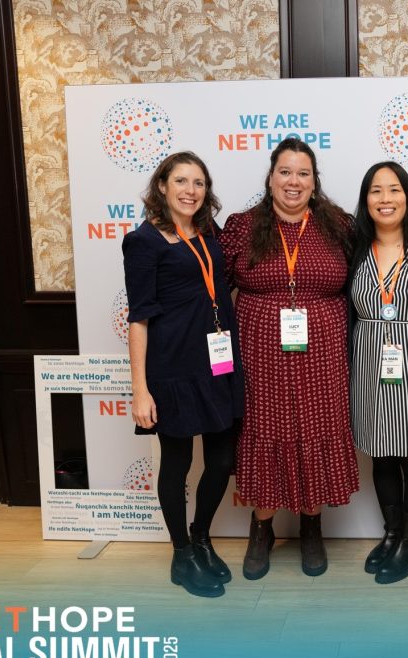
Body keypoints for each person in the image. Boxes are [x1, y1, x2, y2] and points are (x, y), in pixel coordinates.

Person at [218, 138, 358, 579]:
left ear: (314, 181)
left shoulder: (339, 225)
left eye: (303, 173)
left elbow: (367, 283)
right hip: (259, 349)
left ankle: (311, 526)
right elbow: (213, 290)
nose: (293, 181)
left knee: (316, 426)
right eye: (285, 171)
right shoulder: (242, 226)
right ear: (270, 177)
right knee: (266, 427)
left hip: (325, 350)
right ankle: (262, 529)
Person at [123, 151, 245, 598]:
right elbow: (138, 318)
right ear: (162, 187)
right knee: (176, 464)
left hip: (218, 363)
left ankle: (201, 537)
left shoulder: (208, 234)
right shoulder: (144, 242)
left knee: (221, 461)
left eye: (198, 182)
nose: (190, 190)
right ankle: (181, 554)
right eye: (181, 181)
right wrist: (140, 389)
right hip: (171, 369)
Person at [348, 161, 408, 584]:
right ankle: (391, 534)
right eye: (376, 191)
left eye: (393, 190)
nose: (385, 199)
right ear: (365, 200)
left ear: (407, 196)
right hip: (369, 361)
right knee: (381, 454)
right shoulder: (352, 249)